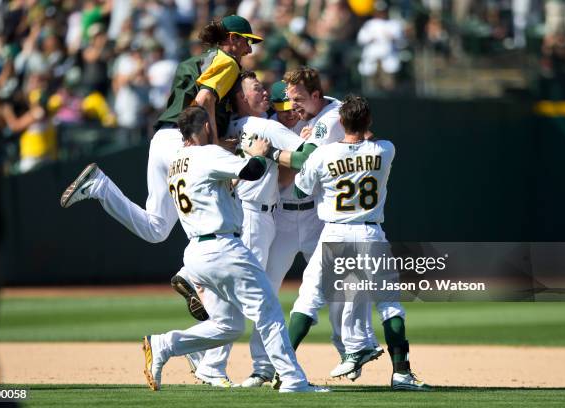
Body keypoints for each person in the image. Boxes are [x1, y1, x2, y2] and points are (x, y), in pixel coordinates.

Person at [60, 15, 262, 327]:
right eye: (246, 40)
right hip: (186, 142)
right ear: (231, 39)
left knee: (156, 229)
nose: (249, 48)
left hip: (161, 142)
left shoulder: (191, 61)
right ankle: (191, 277)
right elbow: (203, 99)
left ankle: (100, 186)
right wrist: (215, 142)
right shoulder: (228, 61)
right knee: (218, 211)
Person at [142, 105, 328, 394]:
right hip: (223, 247)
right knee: (269, 311)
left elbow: (222, 184)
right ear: (206, 128)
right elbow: (251, 171)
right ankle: (293, 380)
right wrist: (261, 153)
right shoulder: (208, 153)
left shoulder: (178, 160)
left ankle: (164, 345)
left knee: (228, 326)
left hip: (195, 252)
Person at [292, 94, 430, 391]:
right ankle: (402, 374)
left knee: (309, 300)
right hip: (370, 233)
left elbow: (301, 189)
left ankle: (284, 368)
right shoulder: (385, 149)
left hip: (334, 233)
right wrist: (361, 123)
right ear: (368, 121)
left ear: (340, 122)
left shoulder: (323, 154)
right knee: (389, 304)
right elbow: (368, 135)